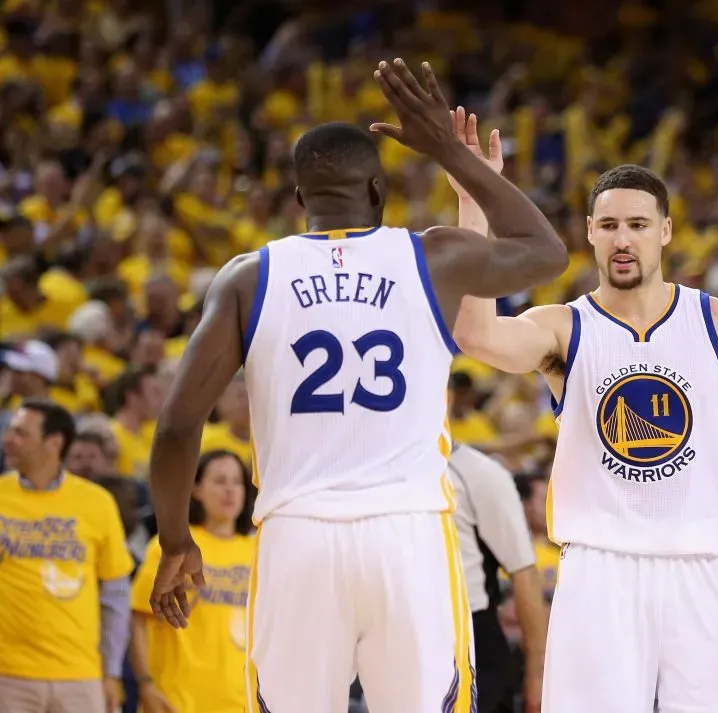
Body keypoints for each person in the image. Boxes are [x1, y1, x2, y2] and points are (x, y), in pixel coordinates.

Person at [146, 58, 568, 713]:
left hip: (297, 534)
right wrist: (451, 153)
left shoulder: (248, 277)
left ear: (298, 199)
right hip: (408, 536)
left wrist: (176, 541)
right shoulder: (433, 257)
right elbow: (546, 252)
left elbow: (176, 426)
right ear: (378, 190)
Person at [450, 111, 718, 712]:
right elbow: (478, 336)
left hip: (704, 565)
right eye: (610, 225)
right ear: (590, 233)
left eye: (639, 225)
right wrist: (475, 200)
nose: (624, 238)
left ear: (666, 231)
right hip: (600, 571)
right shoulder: (564, 327)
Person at [0, 399, 134, 713]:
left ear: (54, 443)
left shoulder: (97, 503)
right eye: (9, 431)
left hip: (81, 675)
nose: (8, 439)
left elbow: (115, 596)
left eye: (21, 432)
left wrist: (111, 672)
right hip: (8, 675)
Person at [131, 450, 255, 713]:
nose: (230, 490)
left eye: (237, 482)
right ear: (196, 489)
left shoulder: (259, 552)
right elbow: (138, 619)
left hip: (240, 701)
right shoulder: (173, 547)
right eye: (220, 481)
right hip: (177, 700)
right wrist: (145, 684)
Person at [446, 443, 548, 713]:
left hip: (469, 639)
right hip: (398, 634)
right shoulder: (376, 468)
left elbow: (523, 571)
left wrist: (536, 678)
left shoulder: (477, 472)